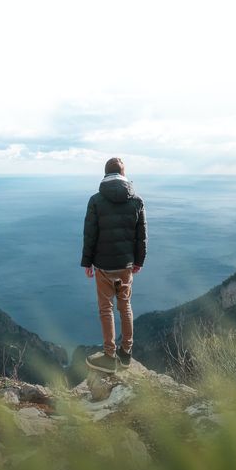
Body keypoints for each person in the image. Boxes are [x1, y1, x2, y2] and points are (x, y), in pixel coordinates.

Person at [81, 157, 148, 373]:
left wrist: (87, 262)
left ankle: (109, 356)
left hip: (103, 266)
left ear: (105, 174)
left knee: (106, 309)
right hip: (125, 266)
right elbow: (142, 236)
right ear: (123, 174)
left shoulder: (96, 200)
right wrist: (138, 261)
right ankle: (126, 353)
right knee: (125, 306)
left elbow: (90, 234)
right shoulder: (137, 201)